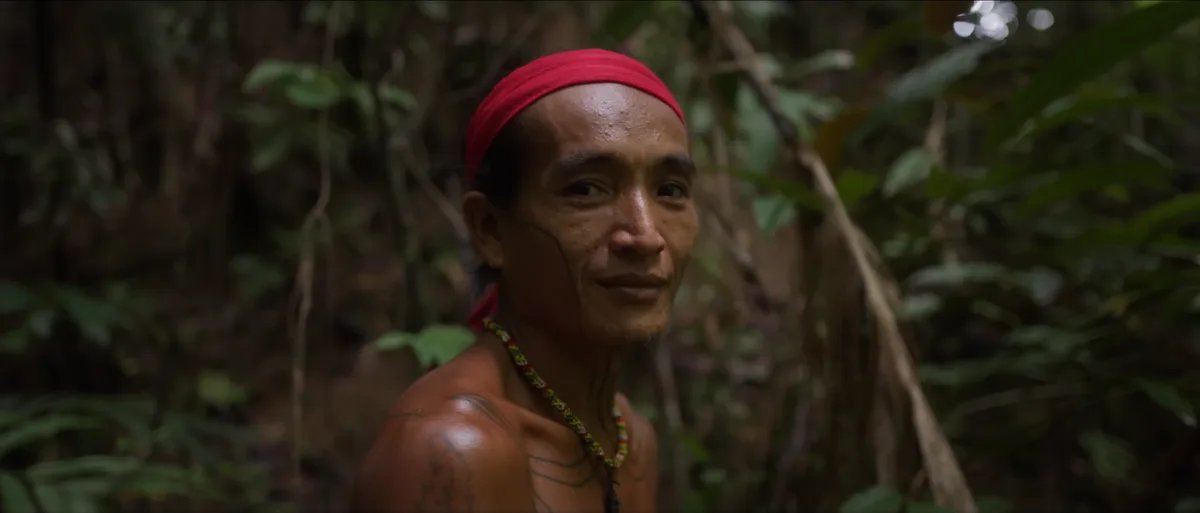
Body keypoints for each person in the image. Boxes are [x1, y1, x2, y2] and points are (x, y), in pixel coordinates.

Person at [350, 48, 697, 513]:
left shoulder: (629, 438)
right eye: (586, 189)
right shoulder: (453, 451)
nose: (645, 235)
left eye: (670, 191)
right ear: (490, 231)